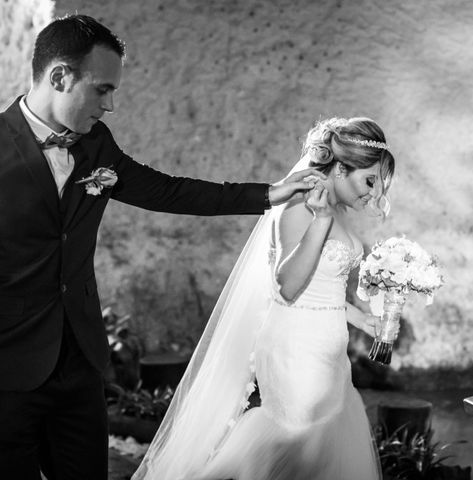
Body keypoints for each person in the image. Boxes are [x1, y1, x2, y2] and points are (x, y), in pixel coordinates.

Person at [0, 14, 323, 480]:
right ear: (59, 76)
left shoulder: (97, 146)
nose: (110, 105)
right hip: (8, 367)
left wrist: (268, 193)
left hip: (79, 363)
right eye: (102, 89)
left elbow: (168, 191)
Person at [133, 116, 396, 480]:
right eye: (369, 180)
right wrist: (319, 223)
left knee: (320, 455)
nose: (373, 193)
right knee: (298, 445)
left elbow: (324, 288)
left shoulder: (335, 212)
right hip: (295, 349)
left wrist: (362, 319)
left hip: (329, 350)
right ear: (339, 167)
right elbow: (287, 285)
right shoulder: (299, 208)